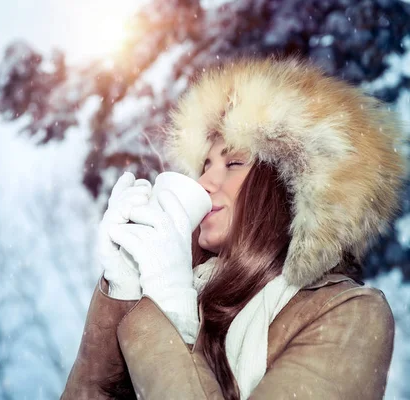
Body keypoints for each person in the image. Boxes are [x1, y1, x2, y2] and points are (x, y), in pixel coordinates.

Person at [60, 57, 407, 399]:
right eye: (205, 165)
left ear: (290, 188)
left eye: (234, 163)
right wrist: (122, 290)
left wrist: (172, 310)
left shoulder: (348, 312)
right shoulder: (187, 294)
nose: (205, 181)